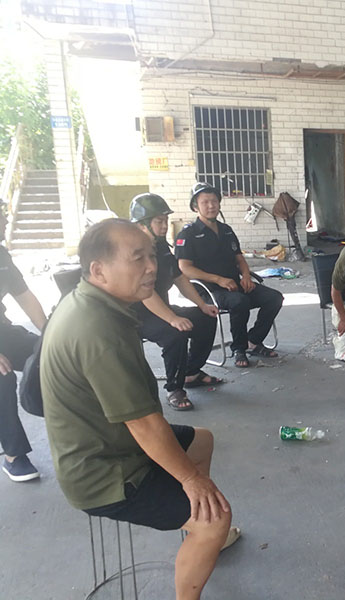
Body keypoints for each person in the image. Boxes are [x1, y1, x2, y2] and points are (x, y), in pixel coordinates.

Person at [41, 219, 239, 599]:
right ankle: (203, 536)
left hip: (110, 440)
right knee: (216, 518)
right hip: (101, 471)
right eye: (137, 258)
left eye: (151, 256)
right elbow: (144, 424)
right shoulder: (97, 330)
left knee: (201, 440)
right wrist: (191, 480)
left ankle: (196, 532)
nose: (151, 267)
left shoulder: (93, 302)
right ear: (99, 270)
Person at [130, 193, 222, 411]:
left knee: (205, 318)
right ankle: (175, 389)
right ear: (142, 225)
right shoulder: (133, 254)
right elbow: (145, 294)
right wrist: (172, 319)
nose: (164, 226)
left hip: (162, 309)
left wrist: (202, 305)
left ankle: (191, 372)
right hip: (136, 316)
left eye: (165, 221)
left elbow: (179, 278)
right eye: (159, 221)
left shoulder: (161, 248)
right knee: (175, 333)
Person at [176, 182, 283, 368]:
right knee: (239, 302)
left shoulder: (226, 230)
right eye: (205, 202)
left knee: (274, 298)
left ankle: (253, 340)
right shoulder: (188, 234)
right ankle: (238, 348)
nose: (211, 206)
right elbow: (185, 268)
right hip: (209, 290)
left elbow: (239, 258)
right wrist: (218, 279)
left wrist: (246, 276)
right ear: (195, 206)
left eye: (214, 201)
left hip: (235, 284)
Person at [0, 199, 47, 482]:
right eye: (1, 215)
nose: (6, 220)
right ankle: (13, 454)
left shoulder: (1, 256)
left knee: (45, 355)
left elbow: (25, 297)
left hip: (2, 331)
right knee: (2, 377)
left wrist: (50, 334)